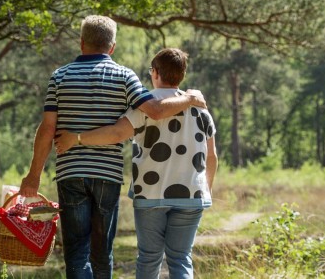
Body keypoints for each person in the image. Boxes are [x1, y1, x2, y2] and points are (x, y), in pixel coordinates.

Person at [18, 16, 205, 279]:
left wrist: (34, 175)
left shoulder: (59, 76)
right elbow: (155, 111)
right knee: (101, 253)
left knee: (77, 252)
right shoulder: (125, 75)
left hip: (70, 171)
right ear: (112, 46)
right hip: (108, 174)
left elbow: (47, 128)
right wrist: (189, 97)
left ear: (82, 43)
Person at [56, 48, 218, 279]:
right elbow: (211, 156)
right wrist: (206, 191)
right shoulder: (201, 110)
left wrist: (78, 137)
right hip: (192, 194)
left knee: (149, 257)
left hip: (150, 194)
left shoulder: (144, 106)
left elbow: (114, 134)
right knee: (181, 258)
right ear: (181, 75)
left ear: (155, 73)